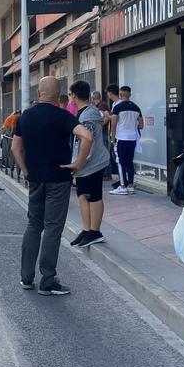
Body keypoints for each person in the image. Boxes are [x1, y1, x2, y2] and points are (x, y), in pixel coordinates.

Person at [12, 76, 92, 296]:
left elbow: (15, 148)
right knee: (53, 228)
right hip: (59, 179)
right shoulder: (63, 116)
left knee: (33, 225)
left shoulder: (25, 117)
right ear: (59, 96)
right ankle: (48, 280)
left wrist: (26, 171)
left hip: (35, 179)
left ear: (39, 93)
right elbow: (87, 136)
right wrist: (78, 163)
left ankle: (26, 277)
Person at [67, 81, 111, 248]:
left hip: (92, 163)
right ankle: (87, 230)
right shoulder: (86, 112)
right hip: (86, 163)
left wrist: (79, 162)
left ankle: (95, 231)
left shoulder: (88, 115)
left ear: (75, 95)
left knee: (93, 196)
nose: (70, 97)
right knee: (82, 196)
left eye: (71, 94)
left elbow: (88, 142)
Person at [109, 86, 143, 195]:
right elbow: (141, 125)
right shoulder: (136, 107)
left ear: (120, 95)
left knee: (121, 162)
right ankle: (131, 186)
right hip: (132, 138)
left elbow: (113, 124)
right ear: (130, 94)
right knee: (129, 162)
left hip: (121, 138)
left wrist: (112, 138)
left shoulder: (117, 107)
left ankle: (123, 186)